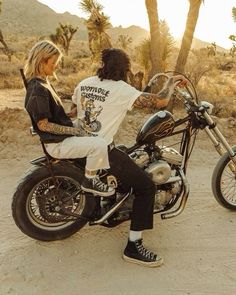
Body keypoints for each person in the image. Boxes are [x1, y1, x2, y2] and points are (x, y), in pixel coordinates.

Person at [71, 48, 187, 267]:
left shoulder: (85, 82)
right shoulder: (122, 89)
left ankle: (117, 203)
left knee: (127, 153)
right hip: (101, 150)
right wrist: (170, 83)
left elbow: (74, 111)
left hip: (79, 145)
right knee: (146, 186)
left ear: (103, 65)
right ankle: (134, 246)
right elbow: (161, 102)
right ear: (124, 69)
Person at [24, 40, 115, 197]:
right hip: (57, 143)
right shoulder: (38, 88)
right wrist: (74, 131)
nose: (57, 66)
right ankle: (90, 180)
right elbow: (44, 125)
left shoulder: (43, 82)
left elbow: (53, 116)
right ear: (41, 61)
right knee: (99, 144)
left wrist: (72, 114)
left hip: (60, 137)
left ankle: (99, 170)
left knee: (94, 129)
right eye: (54, 62)